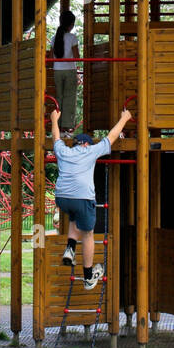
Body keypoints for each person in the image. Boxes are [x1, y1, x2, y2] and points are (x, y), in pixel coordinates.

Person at [50, 106, 131, 290]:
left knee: (74, 218)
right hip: (82, 197)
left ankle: (70, 249)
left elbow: (56, 137)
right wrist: (125, 118)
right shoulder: (91, 151)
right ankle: (88, 277)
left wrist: (54, 119)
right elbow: (111, 136)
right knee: (88, 235)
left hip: (62, 198)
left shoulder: (64, 151)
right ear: (86, 144)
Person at [52, 9, 81, 134]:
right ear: (71, 25)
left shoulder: (54, 38)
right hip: (69, 70)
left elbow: (50, 55)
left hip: (57, 71)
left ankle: (57, 126)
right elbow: (76, 57)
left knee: (59, 98)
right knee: (69, 98)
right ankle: (66, 127)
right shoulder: (72, 38)